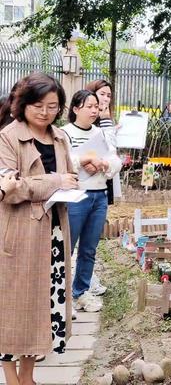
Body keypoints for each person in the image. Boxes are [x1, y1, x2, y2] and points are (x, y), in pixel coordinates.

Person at [0, 72, 78, 385]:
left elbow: (69, 176)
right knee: (11, 306)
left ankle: (29, 375)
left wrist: (68, 183)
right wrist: (55, 182)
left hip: (54, 232)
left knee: (42, 304)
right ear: (23, 104)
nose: (45, 113)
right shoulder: (7, 136)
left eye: (52, 106)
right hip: (17, 233)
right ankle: (10, 376)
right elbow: (12, 188)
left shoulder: (59, 137)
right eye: (38, 105)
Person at [62, 90, 122, 313]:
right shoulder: (64, 134)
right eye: (89, 106)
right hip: (75, 196)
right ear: (76, 108)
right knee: (67, 246)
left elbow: (115, 159)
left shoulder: (103, 133)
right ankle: (60, 294)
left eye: (97, 106)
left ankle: (80, 292)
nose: (95, 110)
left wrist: (103, 164)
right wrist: (83, 160)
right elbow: (63, 160)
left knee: (89, 248)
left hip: (98, 195)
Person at [85, 79, 118, 296]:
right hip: (86, 184)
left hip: (102, 183)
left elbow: (112, 152)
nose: (105, 99)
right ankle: (85, 282)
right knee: (83, 240)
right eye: (102, 94)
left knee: (91, 239)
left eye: (108, 95)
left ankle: (87, 280)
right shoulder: (90, 123)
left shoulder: (105, 120)